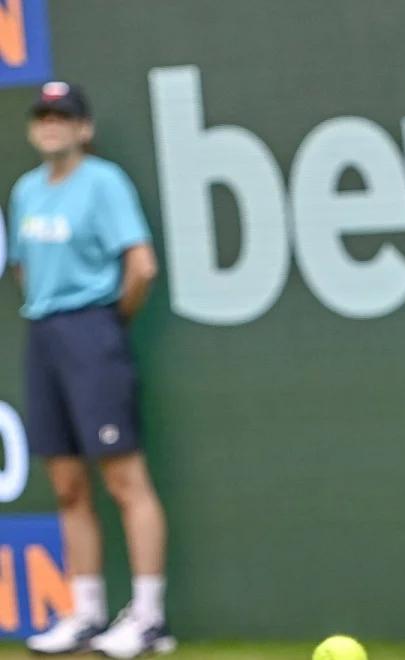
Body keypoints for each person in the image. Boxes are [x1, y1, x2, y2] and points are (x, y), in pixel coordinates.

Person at [6, 81, 175, 658]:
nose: (52, 124)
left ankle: (149, 618)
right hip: (45, 336)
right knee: (67, 483)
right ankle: (85, 614)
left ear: (84, 127)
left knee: (124, 479)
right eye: (44, 115)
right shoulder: (26, 191)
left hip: (93, 330)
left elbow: (141, 266)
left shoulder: (104, 183)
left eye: (64, 115)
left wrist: (106, 324)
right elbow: (26, 271)